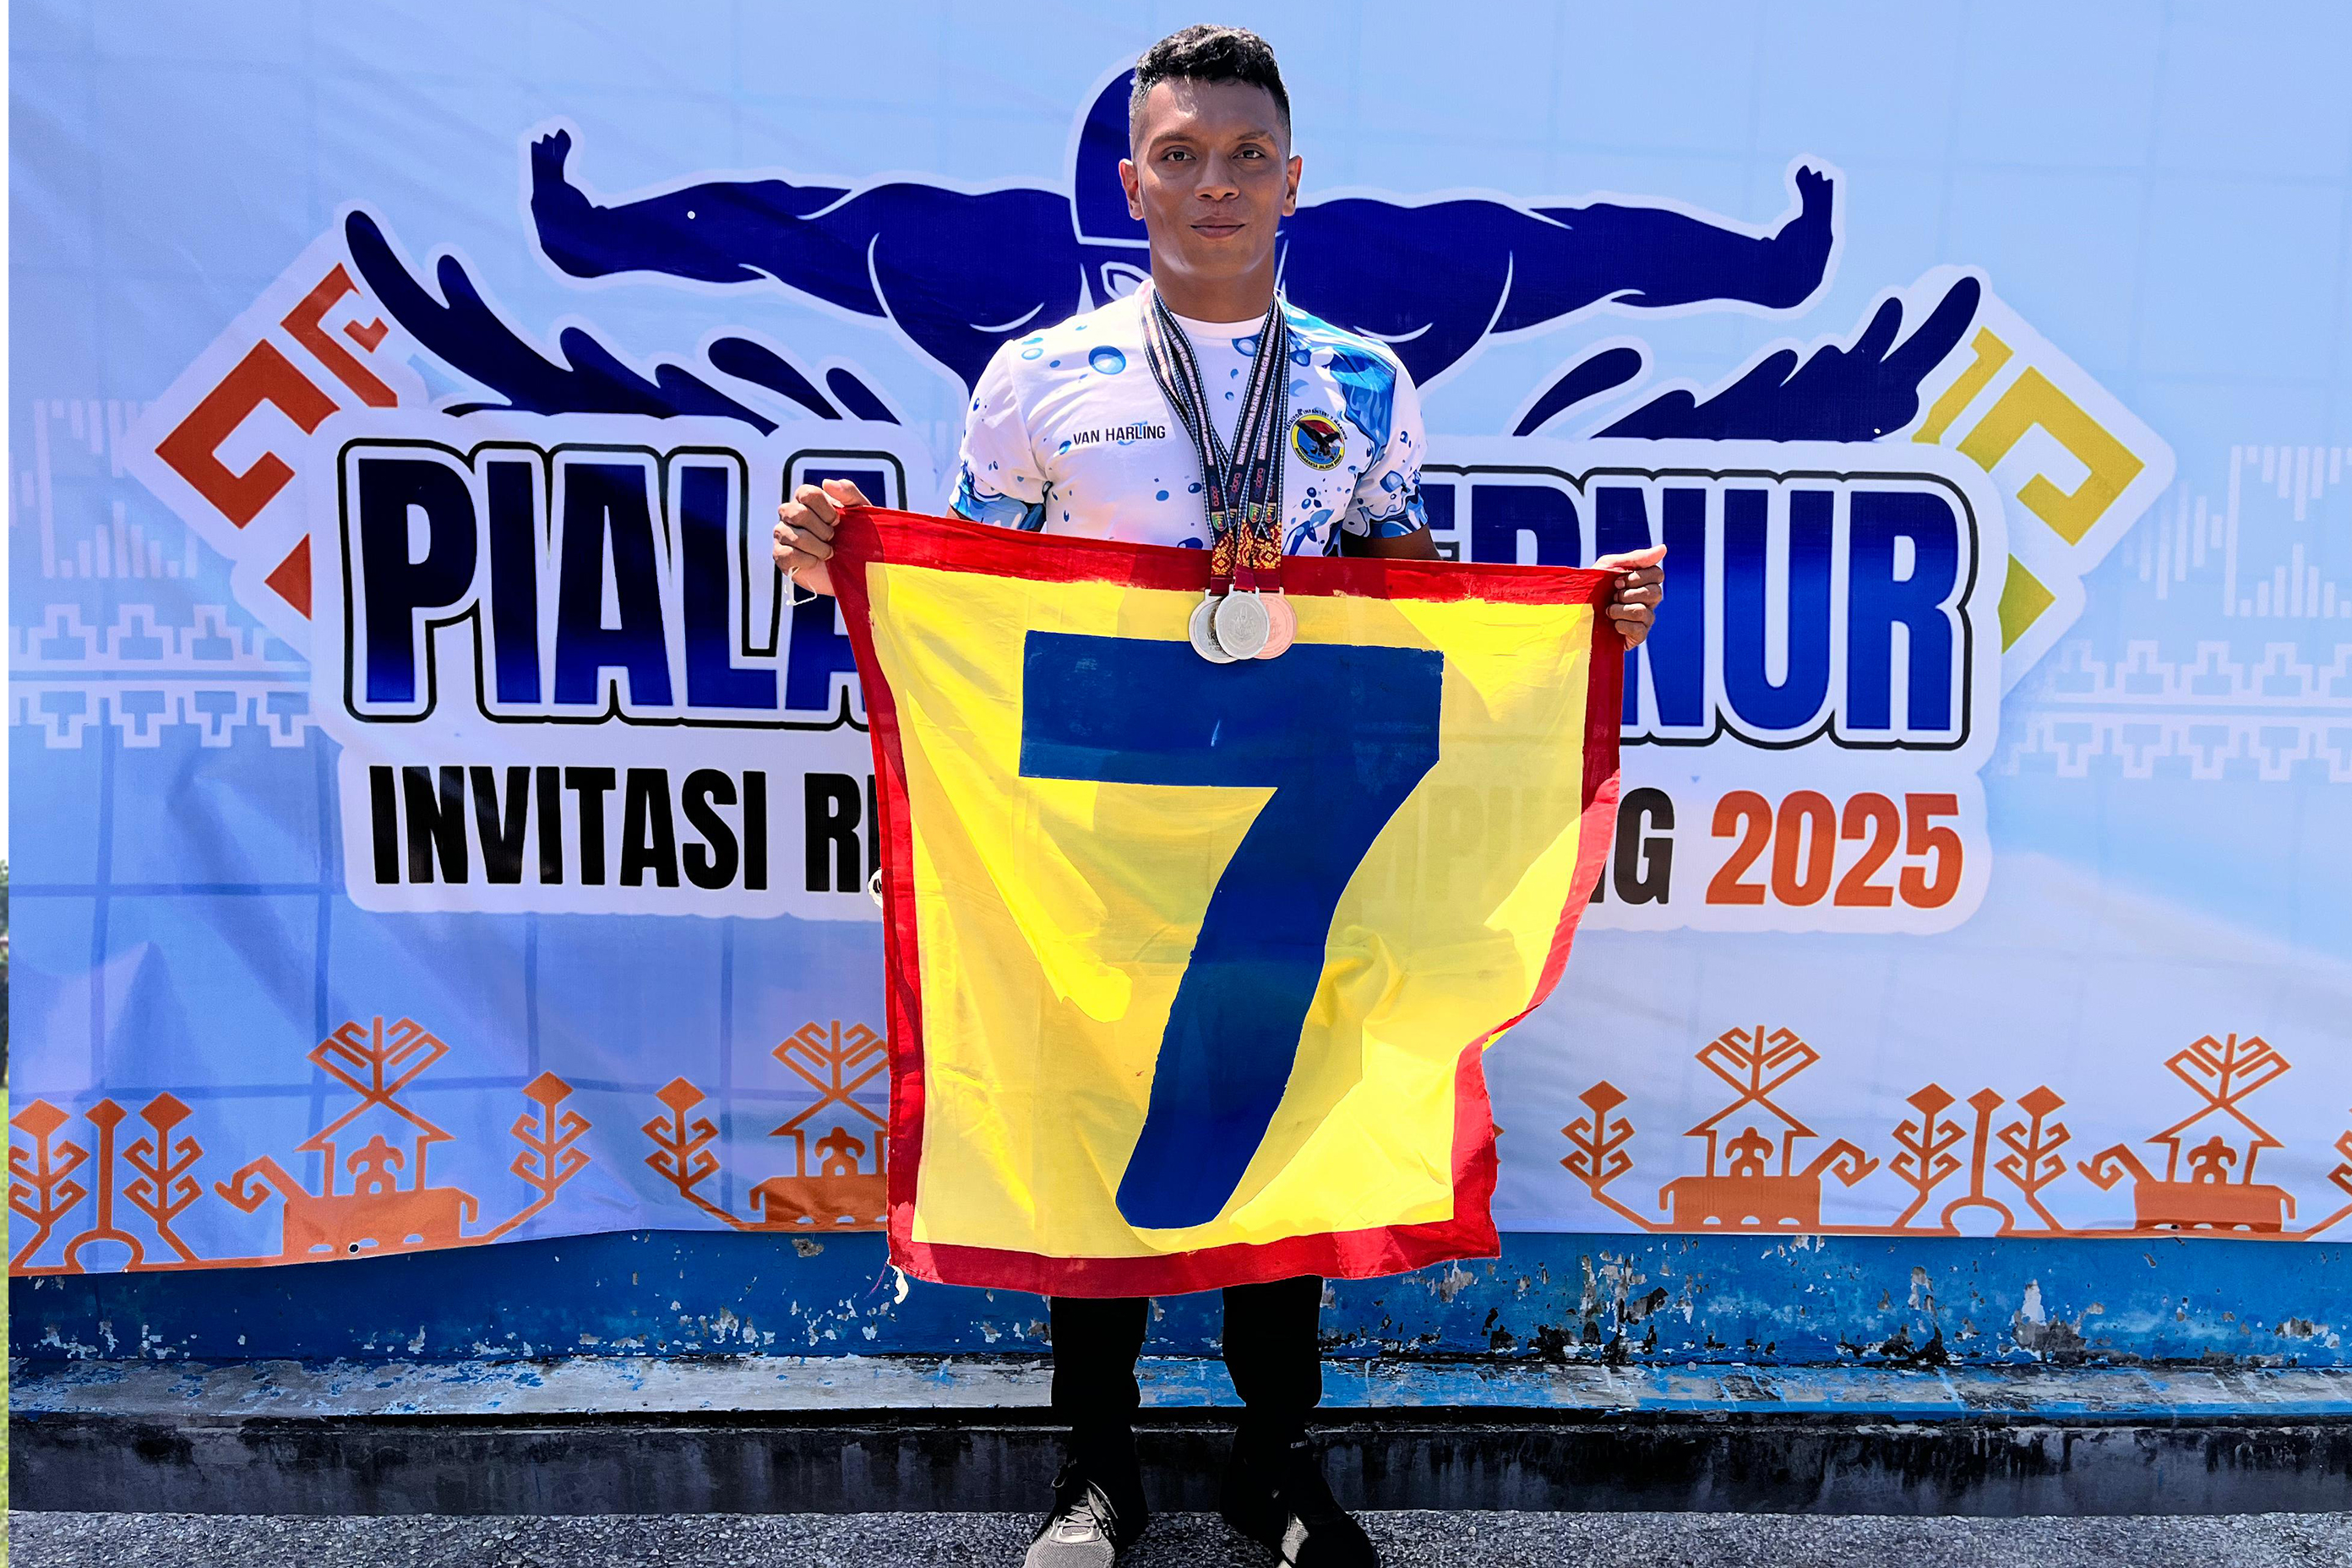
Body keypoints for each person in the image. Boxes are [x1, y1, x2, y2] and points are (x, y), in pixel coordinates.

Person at [774, 25, 1663, 1567]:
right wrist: (843, 563)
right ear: (1130, 182)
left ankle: (1277, 1469)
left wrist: (1577, 627)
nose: (1215, 183)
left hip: (1287, 816)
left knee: (1280, 1117)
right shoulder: (1037, 379)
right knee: (1087, 1124)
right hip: (1096, 831)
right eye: (1180, 155)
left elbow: (1403, 590)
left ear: (1293, 180)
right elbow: (973, 589)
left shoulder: (1363, 381)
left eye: (1247, 156)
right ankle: (1094, 1473)